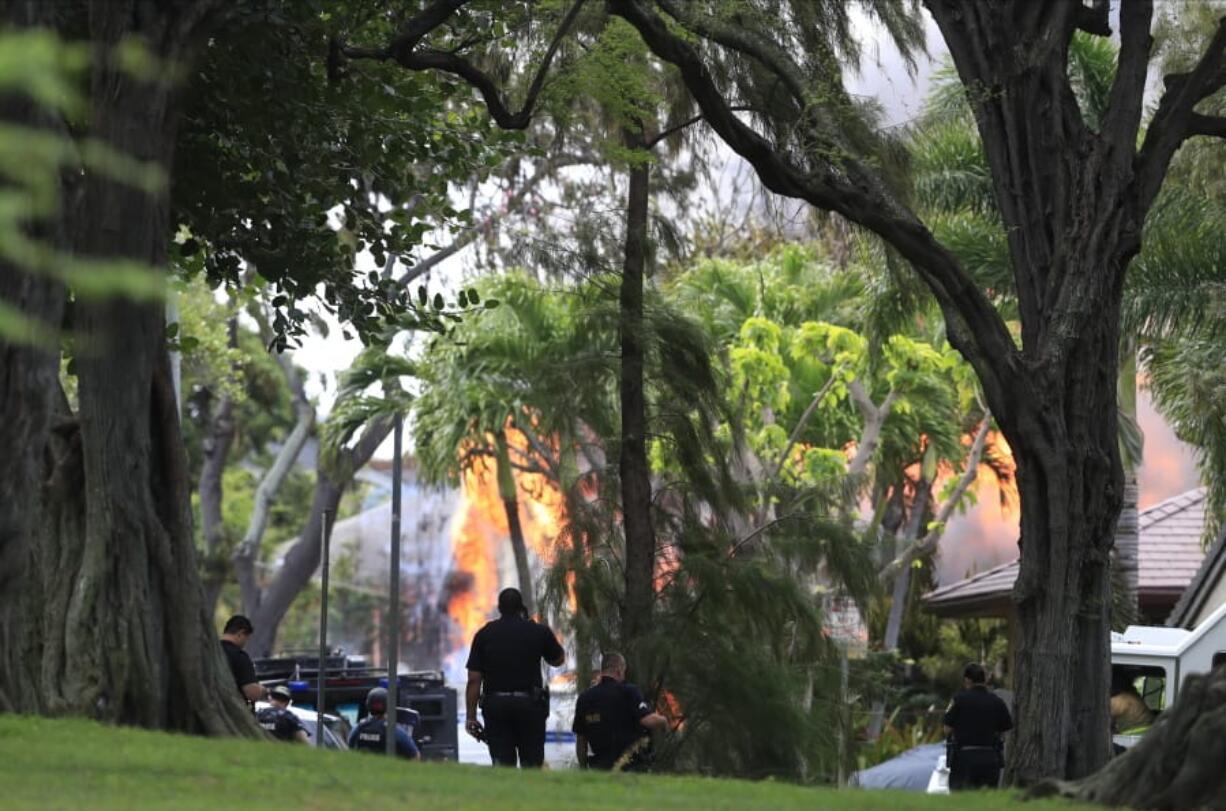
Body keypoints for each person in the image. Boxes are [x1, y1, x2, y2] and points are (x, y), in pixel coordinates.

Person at [464, 587, 565, 767]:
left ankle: (505, 793)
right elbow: (558, 660)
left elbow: (474, 679)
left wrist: (471, 717)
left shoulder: (484, 634)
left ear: (499, 608)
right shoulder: (537, 631)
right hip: (530, 707)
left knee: (502, 765)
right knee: (532, 763)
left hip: (496, 708)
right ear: (521, 608)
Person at [572, 652, 667, 771]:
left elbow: (581, 739)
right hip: (630, 766)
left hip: (600, 767)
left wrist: (583, 768)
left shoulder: (584, 698)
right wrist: (664, 720)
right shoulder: (628, 691)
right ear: (619, 670)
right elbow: (647, 720)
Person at [943, 662, 1013, 791]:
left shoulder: (958, 699)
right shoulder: (997, 702)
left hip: (964, 759)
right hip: (990, 758)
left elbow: (947, 729)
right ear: (984, 680)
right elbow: (1006, 730)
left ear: (967, 680)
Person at [347, 687, 420, 759]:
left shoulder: (359, 728)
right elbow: (415, 756)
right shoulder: (394, 730)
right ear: (388, 706)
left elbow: (349, 749)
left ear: (368, 704)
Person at [220, 615, 265, 705]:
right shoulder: (239, 656)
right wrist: (263, 690)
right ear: (240, 634)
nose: (245, 643)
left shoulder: (209, 652)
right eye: (246, 638)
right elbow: (252, 693)